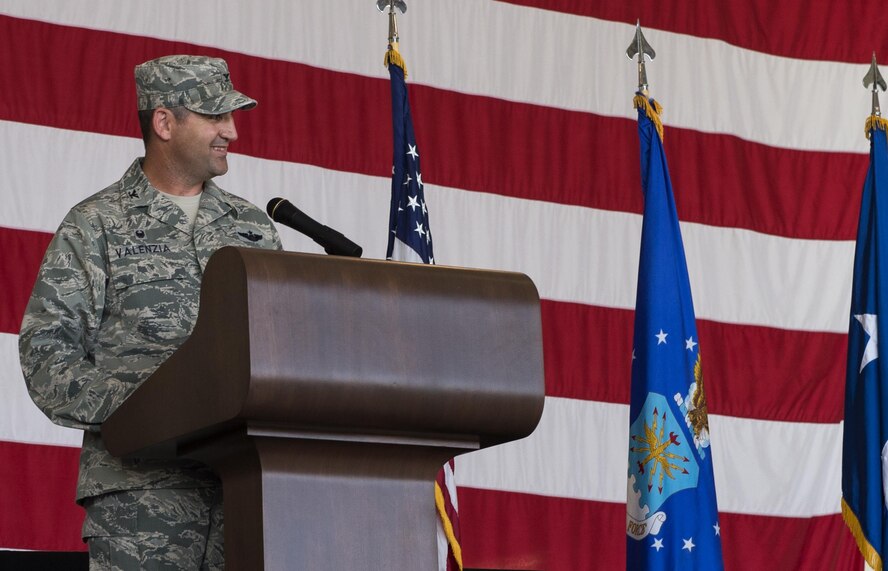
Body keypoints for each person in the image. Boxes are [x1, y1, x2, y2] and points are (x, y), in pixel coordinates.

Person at [18, 54, 282, 569]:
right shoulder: (95, 224)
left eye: (231, 115)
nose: (231, 130)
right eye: (214, 116)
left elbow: (280, 346)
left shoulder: (254, 229)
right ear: (164, 122)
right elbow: (46, 354)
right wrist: (152, 406)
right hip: (140, 503)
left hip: (247, 497)